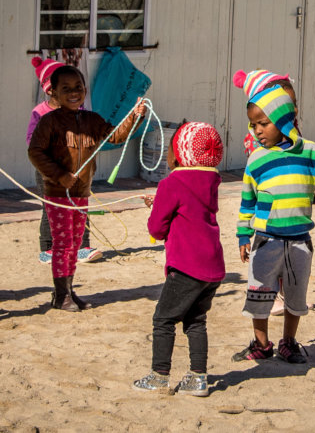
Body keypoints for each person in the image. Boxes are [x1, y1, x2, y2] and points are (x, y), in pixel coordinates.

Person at [232, 77, 315, 363]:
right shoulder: (256, 159)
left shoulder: (311, 152)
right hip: (265, 240)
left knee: (296, 295)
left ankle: (289, 342)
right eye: (253, 125)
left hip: (299, 242)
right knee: (259, 293)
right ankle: (261, 343)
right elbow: (248, 201)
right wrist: (244, 235)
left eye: (262, 124)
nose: (257, 131)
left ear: (282, 120)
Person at [28, 66, 145, 311]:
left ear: (85, 90)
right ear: (54, 94)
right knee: (62, 244)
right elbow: (35, 152)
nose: (74, 93)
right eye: (66, 89)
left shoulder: (92, 120)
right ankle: (61, 295)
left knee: (75, 241)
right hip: (59, 194)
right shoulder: (49, 122)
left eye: (78, 88)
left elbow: (115, 135)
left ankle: (68, 291)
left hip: (82, 193)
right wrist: (59, 176)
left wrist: (135, 116)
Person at [132, 122, 226, 397]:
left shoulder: (171, 182)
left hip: (186, 266)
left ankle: (159, 375)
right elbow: (189, 208)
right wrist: (162, 201)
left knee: (163, 319)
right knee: (196, 321)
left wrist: (160, 203)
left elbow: (156, 229)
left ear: (180, 155)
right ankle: (198, 378)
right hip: (212, 266)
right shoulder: (210, 181)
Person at [233, 70, 302, 317]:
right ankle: (270, 298)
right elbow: (250, 193)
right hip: (268, 216)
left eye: (292, 104)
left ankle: (283, 295)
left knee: (289, 259)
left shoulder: (293, 134)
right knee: (267, 262)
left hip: (290, 213)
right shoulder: (257, 142)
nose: (290, 111)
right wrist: (243, 233)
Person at [28, 56, 100, 265]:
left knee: (80, 206)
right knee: (51, 207)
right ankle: (48, 248)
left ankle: (82, 247)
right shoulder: (40, 113)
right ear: (51, 90)